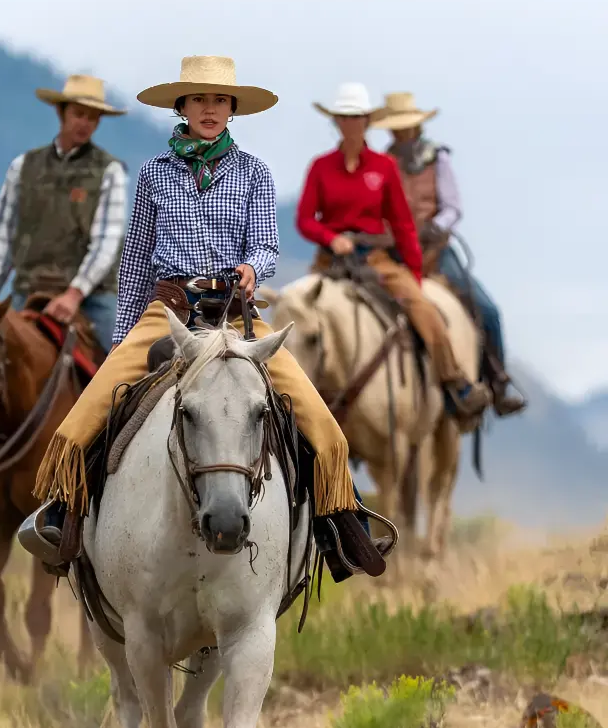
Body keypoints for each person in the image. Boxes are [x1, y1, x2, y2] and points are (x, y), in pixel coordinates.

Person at [33, 56, 392, 583]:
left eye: (219, 100)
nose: (210, 109)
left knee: (315, 415)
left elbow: (266, 244)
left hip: (236, 314)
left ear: (232, 110)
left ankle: (341, 521)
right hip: (169, 311)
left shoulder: (254, 172)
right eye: (199, 99)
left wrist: (253, 267)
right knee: (95, 404)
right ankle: (62, 517)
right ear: (181, 106)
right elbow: (135, 259)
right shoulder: (155, 174)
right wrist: (123, 337)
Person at [297, 82, 491, 428]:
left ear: (367, 120)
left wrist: (413, 272)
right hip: (331, 260)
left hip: (375, 258)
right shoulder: (320, 166)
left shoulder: (384, 167)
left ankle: (454, 381)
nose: (350, 123)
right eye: (343, 117)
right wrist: (330, 237)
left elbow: (401, 222)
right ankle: (286, 394)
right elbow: (304, 220)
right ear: (336, 122)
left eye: (356, 117)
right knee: (294, 308)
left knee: (421, 307)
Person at [371, 92, 526, 416]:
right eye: (395, 128)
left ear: (416, 126)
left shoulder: (437, 158)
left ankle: (498, 382)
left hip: (435, 251)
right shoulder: (381, 163)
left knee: (486, 309)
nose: (399, 133)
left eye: (405, 127)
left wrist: (434, 226)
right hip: (396, 251)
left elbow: (453, 207)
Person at [0, 74, 128, 355]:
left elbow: (107, 241)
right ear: (61, 112)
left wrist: (74, 294)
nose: (84, 123)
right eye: (79, 114)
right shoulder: (23, 167)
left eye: (93, 117)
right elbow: (3, 234)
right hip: (29, 290)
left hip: (92, 298)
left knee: (122, 369)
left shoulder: (110, 171)